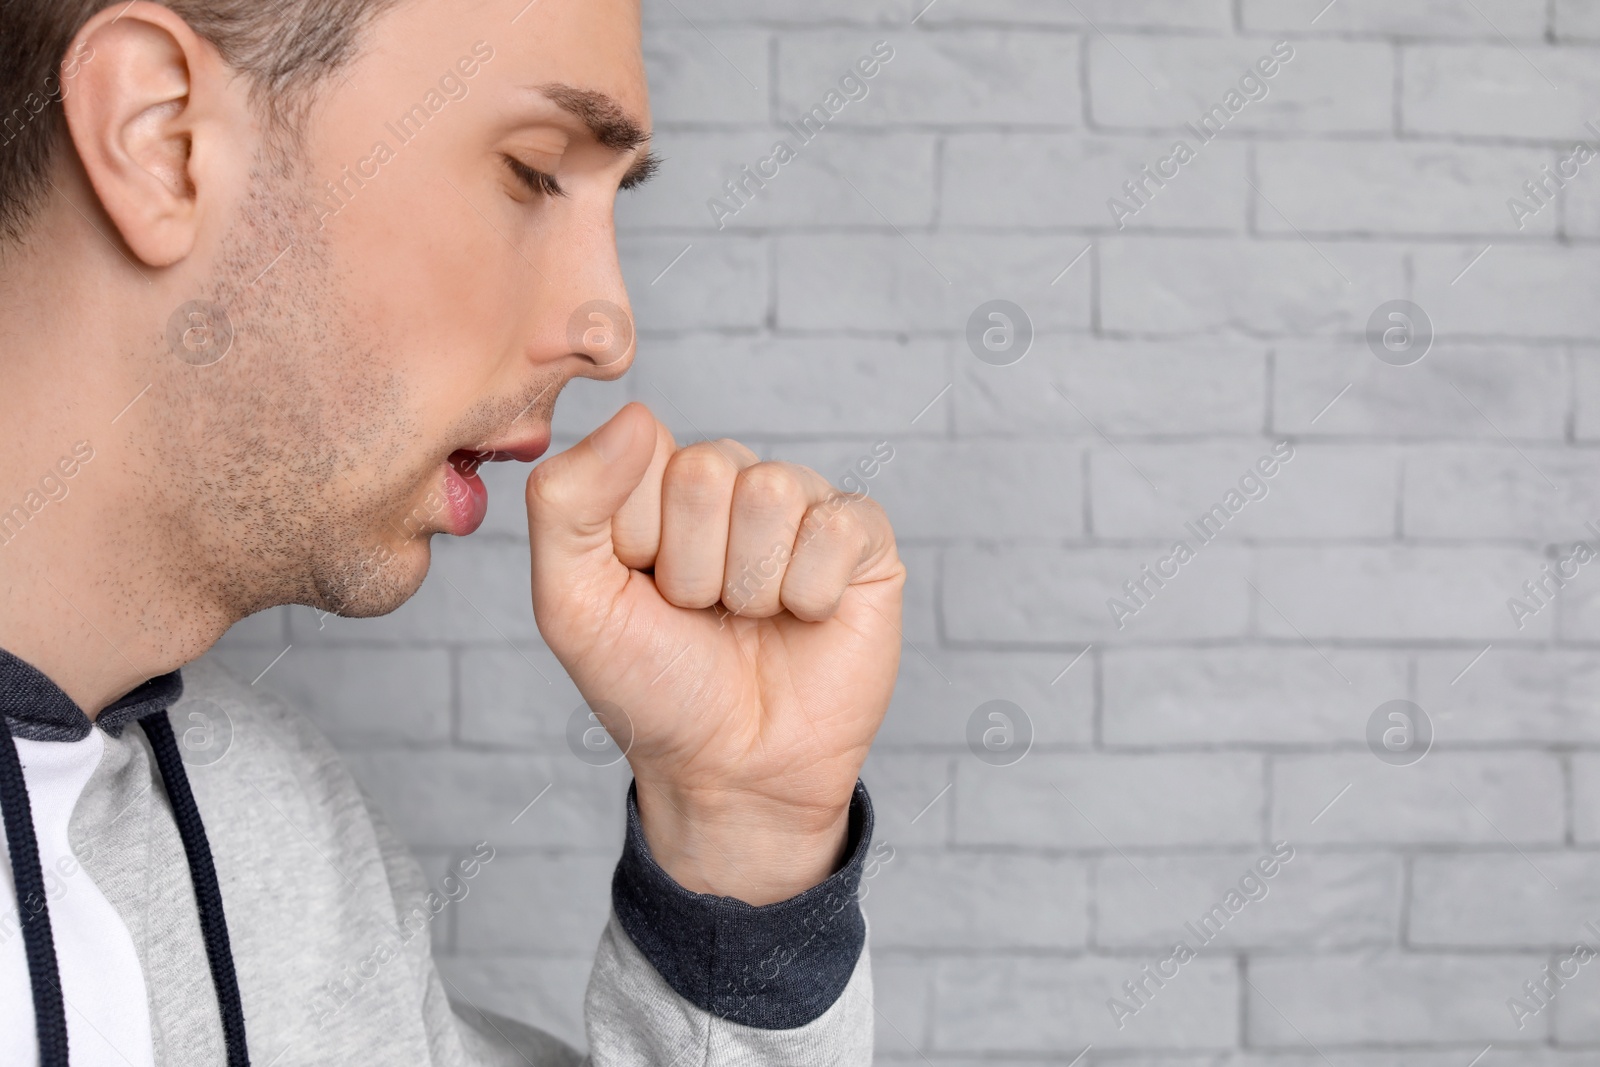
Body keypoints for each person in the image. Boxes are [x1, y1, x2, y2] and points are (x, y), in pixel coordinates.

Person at [0, 1, 906, 1063]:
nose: (608, 327)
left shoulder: (280, 836)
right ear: (162, 141)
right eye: (531, 171)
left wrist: (740, 839)